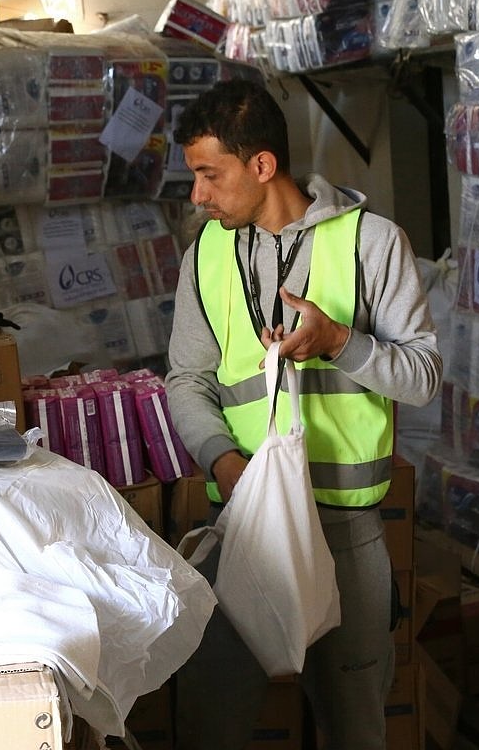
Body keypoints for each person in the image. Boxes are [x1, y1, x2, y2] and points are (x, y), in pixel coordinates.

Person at [164, 78, 442, 750]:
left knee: (356, 733)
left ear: (261, 165)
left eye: (209, 174)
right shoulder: (204, 255)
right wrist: (223, 462)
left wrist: (341, 342)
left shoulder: (372, 243)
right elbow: (186, 380)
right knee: (210, 728)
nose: (197, 194)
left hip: (346, 535)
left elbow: (423, 377)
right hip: (244, 533)